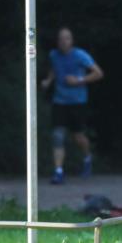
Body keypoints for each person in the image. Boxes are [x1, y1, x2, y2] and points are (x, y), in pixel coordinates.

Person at [40, 27, 103, 185]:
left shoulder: (80, 55)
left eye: (67, 38)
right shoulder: (54, 55)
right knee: (58, 135)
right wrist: (48, 81)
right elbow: (54, 69)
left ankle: (87, 157)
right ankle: (58, 171)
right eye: (61, 39)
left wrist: (79, 80)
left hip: (77, 101)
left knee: (78, 136)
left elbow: (98, 73)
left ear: (72, 40)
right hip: (59, 101)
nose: (63, 41)